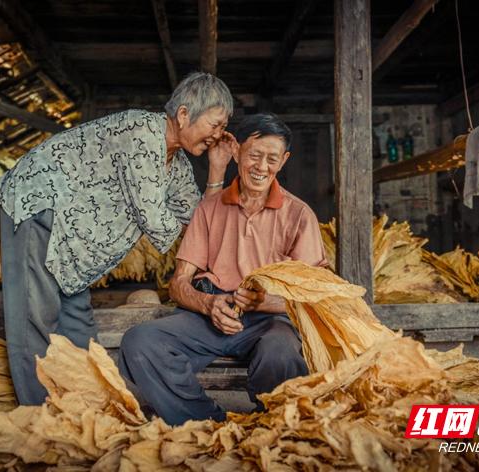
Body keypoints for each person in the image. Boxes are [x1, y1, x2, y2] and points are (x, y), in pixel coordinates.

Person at [0, 72, 238, 405]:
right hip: (39, 205)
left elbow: (200, 222)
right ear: (183, 115)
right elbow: (154, 217)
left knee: (77, 321)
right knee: (36, 317)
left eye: (223, 127)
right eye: (215, 124)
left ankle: (90, 403)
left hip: (75, 239)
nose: (219, 134)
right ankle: (37, 416)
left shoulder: (177, 164)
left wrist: (217, 169)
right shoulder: (140, 133)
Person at [118, 113, 328, 425]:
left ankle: (271, 427)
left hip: (270, 319)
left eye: (272, 158)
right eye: (254, 155)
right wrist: (208, 303)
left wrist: (264, 302)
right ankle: (207, 423)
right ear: (238, 152)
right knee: (140, 343)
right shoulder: (209, 208)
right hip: (211, 314)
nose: (261, 167)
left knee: (281, 350)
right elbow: (179, 284)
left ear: (283, 161)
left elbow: (313, 297)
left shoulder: (299, 215)